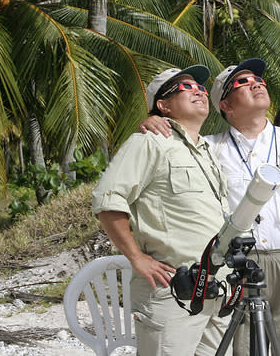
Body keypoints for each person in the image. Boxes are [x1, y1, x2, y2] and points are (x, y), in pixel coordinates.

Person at [139, 58, 280, 356]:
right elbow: (163, 159)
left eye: (258, 79)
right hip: (233, 266)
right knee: (239, 348)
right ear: (226, 106)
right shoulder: (208, 149)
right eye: (242, 83)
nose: (256, 83)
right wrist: (149, 122)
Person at [92, 65, 232, 356]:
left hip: (215, 290)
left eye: (201, 87)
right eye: (184, 87)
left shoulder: (207, 152)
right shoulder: (148, 142)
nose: (198, 90)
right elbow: (108, 200)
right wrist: (137, 258)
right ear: (163, 105)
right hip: (172, 291)